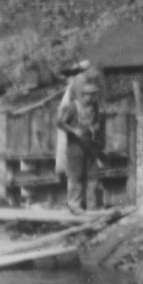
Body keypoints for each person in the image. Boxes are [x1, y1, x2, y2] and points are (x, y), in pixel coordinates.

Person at [54, 63, 107, 211]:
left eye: (94, 94)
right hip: (75, 147)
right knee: (76, 177)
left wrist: (95, 126)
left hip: (89, 147)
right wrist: (73, 131)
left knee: (93, 176)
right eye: (89, 95)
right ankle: (74, 205)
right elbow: (60, 123)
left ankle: (92, 206)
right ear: (83, 95)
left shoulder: (94, 107)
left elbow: (95, 122)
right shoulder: (73, 107)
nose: (92, 97)